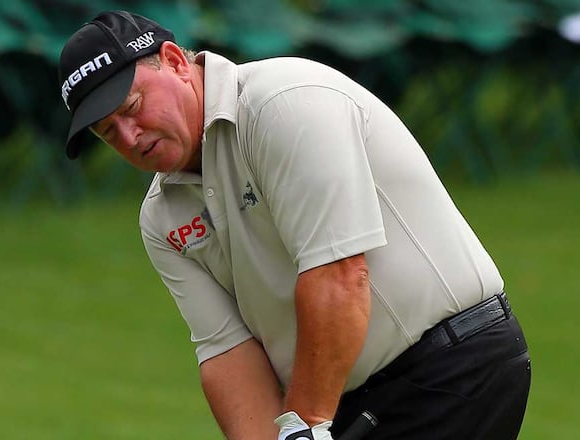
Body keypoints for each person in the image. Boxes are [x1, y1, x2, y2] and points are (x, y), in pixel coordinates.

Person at [58, 11, 531, 440]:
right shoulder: (161, 216)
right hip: (343, 405)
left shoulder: (282, 104)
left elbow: (339, 273)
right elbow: (227, 352)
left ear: (176, 61)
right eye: (108, 133)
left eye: (132, 106)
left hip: (452, 366)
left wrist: (303, 426)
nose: (129, 137)